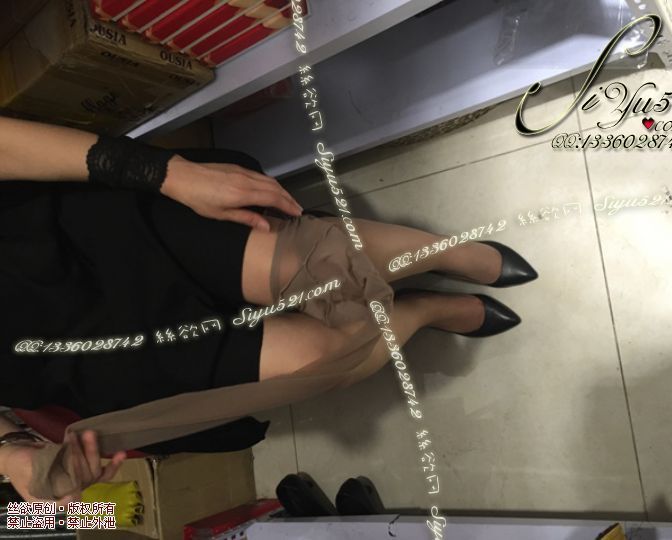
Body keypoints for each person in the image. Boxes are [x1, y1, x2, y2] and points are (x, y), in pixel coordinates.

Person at [0, 116, 537, 503]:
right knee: (321, 360)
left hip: (64, 241)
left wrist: (164, 172)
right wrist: (9, 454)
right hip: (62, 360)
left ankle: (448, 254)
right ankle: (424, 310)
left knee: (310, 259)